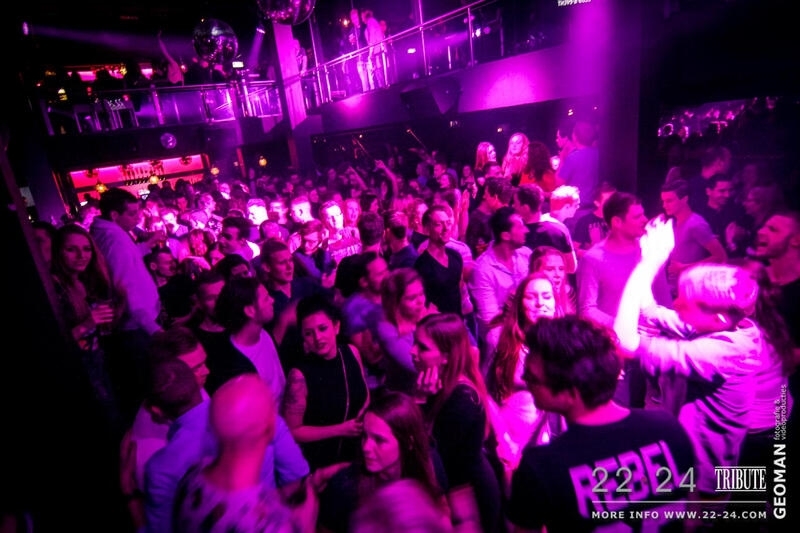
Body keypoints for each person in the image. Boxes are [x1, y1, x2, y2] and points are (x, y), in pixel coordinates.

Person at [613, 216, 782, 500]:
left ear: (717, 319)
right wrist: (647, 258)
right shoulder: (727, 325)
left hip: (704, 483)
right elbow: (649, 309)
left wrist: (648, 265)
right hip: (688, 463)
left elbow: (625, 342)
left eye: (685, 302)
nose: (676, 303)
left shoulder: (723, 353)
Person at [507, 316, 695, 532]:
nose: (524, 380)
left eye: (532, 377)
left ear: (570, 391)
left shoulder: (542, 466)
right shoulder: (668, 428)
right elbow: (693, 515)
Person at [173, 374, 318, 533]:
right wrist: (307, 523)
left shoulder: (194, 473)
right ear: (271, 429)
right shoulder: (274, 525)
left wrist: (281, 498)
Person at [411, 313, 500, 533]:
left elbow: (429, 452)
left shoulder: (462, 399)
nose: (412, 351)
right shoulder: (439, 386)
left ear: (446, 357)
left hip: (468, 495)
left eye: (422, 348)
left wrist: (420, 402)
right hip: (456, 488)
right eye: (414, 342)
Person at [318, 391, 448, 533]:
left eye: (379, 440)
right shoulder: (345, 486)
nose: (366, 447)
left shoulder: (430, 463)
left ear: (408, 442)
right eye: (364, 436)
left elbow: (443, 517)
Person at [485, 273, 559, 485]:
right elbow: (483, 391)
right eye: (531, 297)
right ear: (520, 303)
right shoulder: (499, 338)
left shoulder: (563, 341)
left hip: (553, 436)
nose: (540, 303)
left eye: (547, 296)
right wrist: (502, 438)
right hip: (513, 437)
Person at [282, 294, 370, 470]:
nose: (318, 338)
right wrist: (341, 429)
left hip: (356, 454)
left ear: (336, 326)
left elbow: (364, 393)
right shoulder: (299, 375)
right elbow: (293, 431)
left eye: (322, 329)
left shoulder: (351, 352)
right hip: (320, 463)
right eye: (309, 333)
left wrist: (363, 415)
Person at [529, 245, 576, 316]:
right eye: (550, 269)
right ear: (536, 270)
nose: (558, 274)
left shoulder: (568, 292)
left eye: (561, 269)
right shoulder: (521, 296)